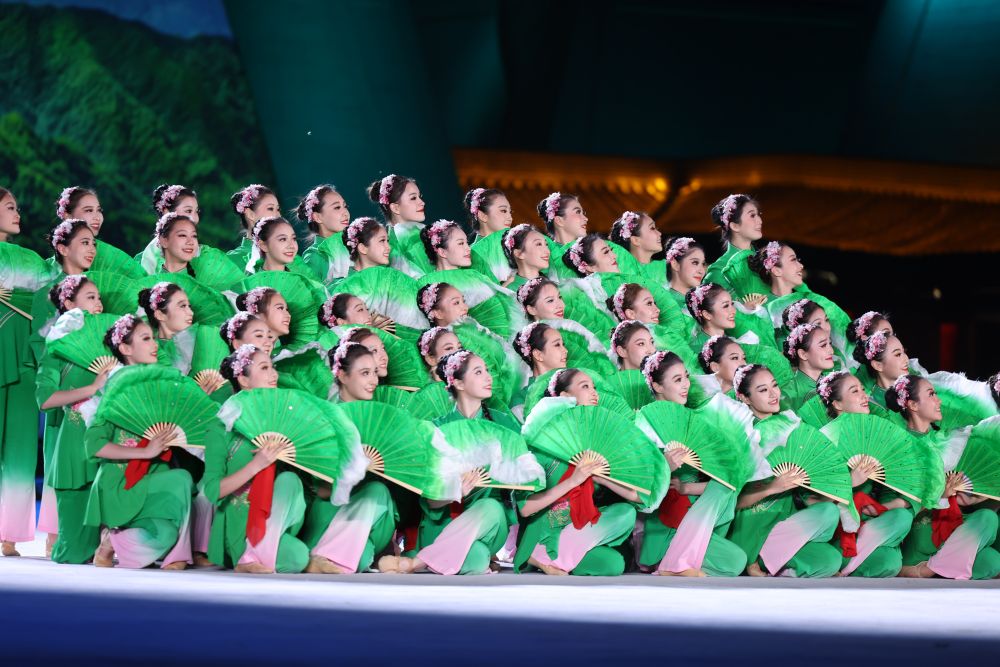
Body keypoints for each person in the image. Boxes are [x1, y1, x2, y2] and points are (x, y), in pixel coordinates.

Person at [377, 351, 512, 575]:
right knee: (477, 559)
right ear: (458, 382)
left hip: (489, 522)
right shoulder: (436, 430)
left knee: (491, 506)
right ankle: (442, 555)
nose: (489, 377)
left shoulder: (504, 424)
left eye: (487, 371)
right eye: (478, 372)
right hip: (442, 522)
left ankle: (416, 563)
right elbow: (431, 502)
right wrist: (455, 491)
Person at [84, 315, 195, 569]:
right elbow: (94, 445)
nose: (154, 344)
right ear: (125, 348)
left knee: (164, 535)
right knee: (182, 479)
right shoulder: (117, 387)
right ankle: (179, 555)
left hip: (154, 475)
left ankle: (112, 541)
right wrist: (145, 453)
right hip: (121, 481)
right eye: (146, 339)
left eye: (153, 338)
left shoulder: (159, 386)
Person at [636, 351, 748, 577]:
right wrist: (665, 467)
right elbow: (636, 488)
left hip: (697, 516)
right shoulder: (645, 423)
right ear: (657, 386)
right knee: (734, 562)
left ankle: (677, 563)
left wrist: (687, 488)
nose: (686, 384)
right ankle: (673, 561)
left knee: (736, 561)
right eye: (677, 380)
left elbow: (721, 479)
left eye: (686, 377)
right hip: (664, 521)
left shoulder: (692, 421)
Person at [727, 364, 842, 578]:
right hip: (752, 525)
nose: (773, 394)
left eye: (774, 386)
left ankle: (774, 563)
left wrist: (834, 489)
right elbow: (731, 501)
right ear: (744, 398)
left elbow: (806, 492)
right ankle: (755, 558)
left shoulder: (789, 423)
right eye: (763, 390)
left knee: (831, 556)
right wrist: (772, 487)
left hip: (785, 523)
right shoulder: (741, 434)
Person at [203, 345, 310, 573]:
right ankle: (247, 555)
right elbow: (212, 491)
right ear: (243, 379)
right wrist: (256, 465)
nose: (274, 374)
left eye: (272, 367)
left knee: (298, 556)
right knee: (297, 558)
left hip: (276, 519)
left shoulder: (283, 420)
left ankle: (256, 554)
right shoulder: (221, 426)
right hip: (240, 522)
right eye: (264, 368)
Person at [297, 184, 352, 283]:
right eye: (337, 207)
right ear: (317, 217)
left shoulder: (353, 246)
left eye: (345, 206)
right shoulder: (314, 256)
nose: (346, 213)